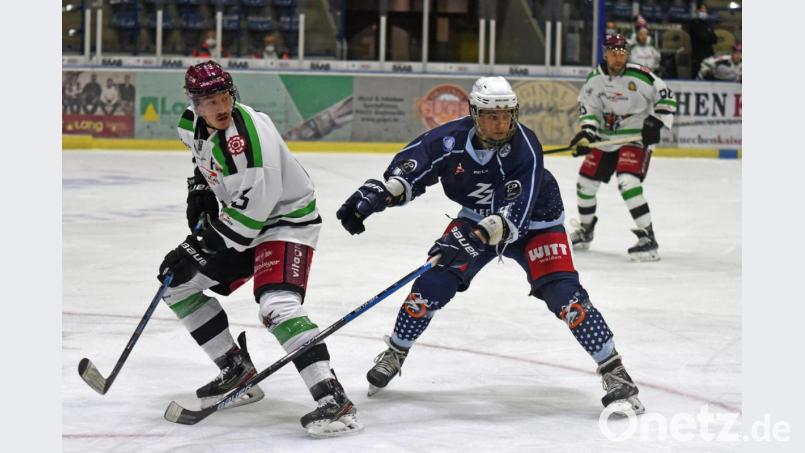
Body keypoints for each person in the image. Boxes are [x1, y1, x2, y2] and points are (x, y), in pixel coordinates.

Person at [336, 76, 645, 416]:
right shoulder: (451, 138)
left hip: (537, 223)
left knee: (565, 296)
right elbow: (415, 167)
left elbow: (516, 211)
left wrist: (475, 238)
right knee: (432, 282)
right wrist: (383, 193)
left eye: (506, 115)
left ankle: (615, 371)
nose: (501, 124)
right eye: (491, 116)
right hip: (475, 218)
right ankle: (395, 351)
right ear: (474, 114)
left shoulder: (526, 146)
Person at [156, 60, 361, 437]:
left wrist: (195, 249)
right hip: (245, 219)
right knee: (176, 285)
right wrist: (200, 189)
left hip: (285, 222)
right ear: (194, 103)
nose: (220, 107)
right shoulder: (190, 123)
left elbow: (250, 221)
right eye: (209, 100)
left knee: (276, 305)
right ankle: (236, 370)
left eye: (224, 97)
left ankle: (333, 399)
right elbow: (202, 161)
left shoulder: (248, 143)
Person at [567, 34, 676, 261]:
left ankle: (648, 237)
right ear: (605, 53)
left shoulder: (641, 76)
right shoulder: (594, 80)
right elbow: (589, 109)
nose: (619, 57)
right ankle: (586, 230)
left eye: (623, 53)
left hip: (635, 138)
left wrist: (654, 122)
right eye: (614, 53)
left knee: (628, 182)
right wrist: (588, 132)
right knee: (584, 184)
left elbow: (667, 97)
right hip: (607, 139)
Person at [688, 2, 717, 80]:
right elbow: (701, 37)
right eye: (702, 10)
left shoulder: (708, 24)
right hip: (698, 56)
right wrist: (708, 35)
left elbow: (714, 39)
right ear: (697, 11)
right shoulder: (693, 24)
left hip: (709, 55)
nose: (703, 12)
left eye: (705, 10)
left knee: (709, 76)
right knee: (696, 77)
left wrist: (707, 36)